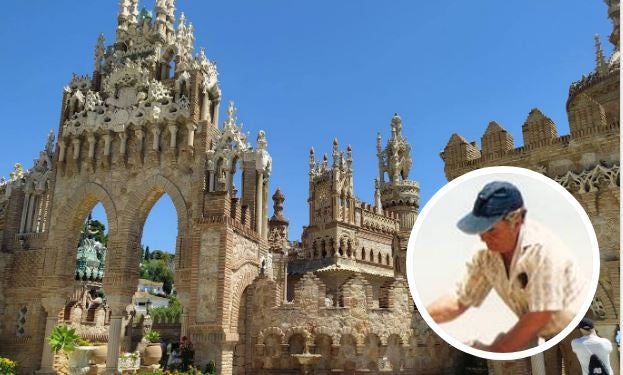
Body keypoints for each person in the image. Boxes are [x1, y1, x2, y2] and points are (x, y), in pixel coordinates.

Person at [426, 181, 583, 352]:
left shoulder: (542, 250)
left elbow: (540, 314)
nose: (483, 238)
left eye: (491, 230)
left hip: (575, 329)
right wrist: (422, 318)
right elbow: (460, 299)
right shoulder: (485, 254)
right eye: (481, 230)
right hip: (537, 332)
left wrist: (493, 350)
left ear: (516, 221)